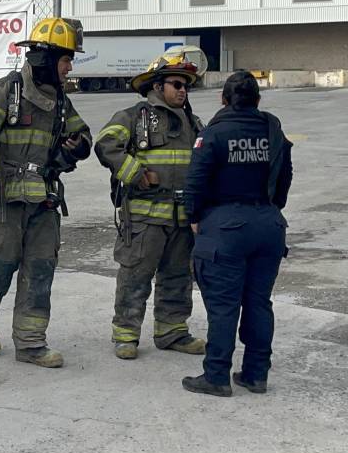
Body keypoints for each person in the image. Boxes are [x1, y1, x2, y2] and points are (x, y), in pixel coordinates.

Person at [0, 17, 92, 368]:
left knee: (40, 269)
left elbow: (84, 135)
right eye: (65, 59)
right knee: (0, 266)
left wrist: (76, 148)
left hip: (45, 199)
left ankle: (31, 342)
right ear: (46, 59)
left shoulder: (62, 101)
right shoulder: (6, 91)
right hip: (6, 199)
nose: (69, 67)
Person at [181, 71, 293, 397]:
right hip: (269, 224)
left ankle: (216, 375)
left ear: (223, 99)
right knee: (259, 302)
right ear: (257, 100)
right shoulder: (272, 129)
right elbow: (284, 177)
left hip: (226, 225)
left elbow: (195, 181)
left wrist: (194, 218)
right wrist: (270, 209)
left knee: (224, 306)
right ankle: (257, 375)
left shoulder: (214, 134)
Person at [95, 54, 206, 360]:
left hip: (182, 218)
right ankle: (126, 335)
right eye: (176, 84)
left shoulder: (193, 123)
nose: (182, 90)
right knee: (135, 277)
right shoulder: (133, 117)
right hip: (144, 219)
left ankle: (172, 331)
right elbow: (105, 144)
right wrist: (135, 173)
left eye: (185, 86)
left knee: (178, 277)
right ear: (158, 86)